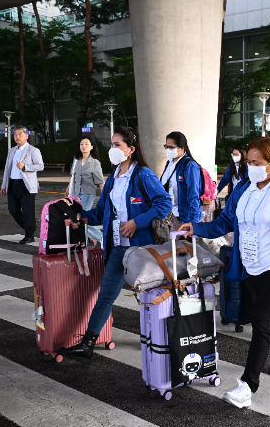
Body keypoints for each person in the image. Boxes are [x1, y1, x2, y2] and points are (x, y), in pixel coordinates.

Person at [180, 137, 270, 409]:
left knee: (262, 325)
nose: (250, 166)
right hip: (250, 266)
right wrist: (197, 228)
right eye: (248, 161)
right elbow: (226, 221)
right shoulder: (244, 188)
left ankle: (247, 385)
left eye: (256, 163)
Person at [57, 127, 172, 364]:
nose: (112, 149)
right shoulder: (114, 176)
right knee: (106, 295)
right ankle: (87, 344)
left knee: (152, 296)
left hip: (141, 250)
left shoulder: (143, 175)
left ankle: (164, 338)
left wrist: (136, 222)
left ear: (130, 150)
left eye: (117, 145)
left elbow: (164, 204)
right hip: (119, 248)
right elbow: (102, 211)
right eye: (111, 144)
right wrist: (81, 217)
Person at [0, 125, 44, 244]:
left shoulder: (33, 150)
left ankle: (29, 235)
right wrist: (4, 185)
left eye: (20, 134)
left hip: (26, 185)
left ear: (26, 136)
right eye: (15, 134)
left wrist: (25, 167)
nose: (17, 137)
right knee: (12, 209)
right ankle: (30, 227)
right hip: (13, 184)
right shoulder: (12, 151)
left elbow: (40, 166)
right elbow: (7, 169)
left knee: (27, 211)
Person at [65, 135, 105, 243]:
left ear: (92, 147)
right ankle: (84, 238)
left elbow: (100, 181)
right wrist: (69, 187)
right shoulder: (76, 160)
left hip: (88, 194)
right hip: (75, 192)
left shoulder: (95, 163)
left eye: (87, 144)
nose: (84, 146)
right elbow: (73, 176)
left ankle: (101, 237)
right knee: (76, 217)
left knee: (83, 218)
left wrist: (105, 196)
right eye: (82, 144)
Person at [160, 132, 204, 224]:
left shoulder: (189, 165)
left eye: (171, 147)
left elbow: (193, 194)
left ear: (182, 148)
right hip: (168, 216)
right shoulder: (169, 163)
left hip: (183, 218)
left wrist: (194, 222)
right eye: (166, 147)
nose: (168, 150)